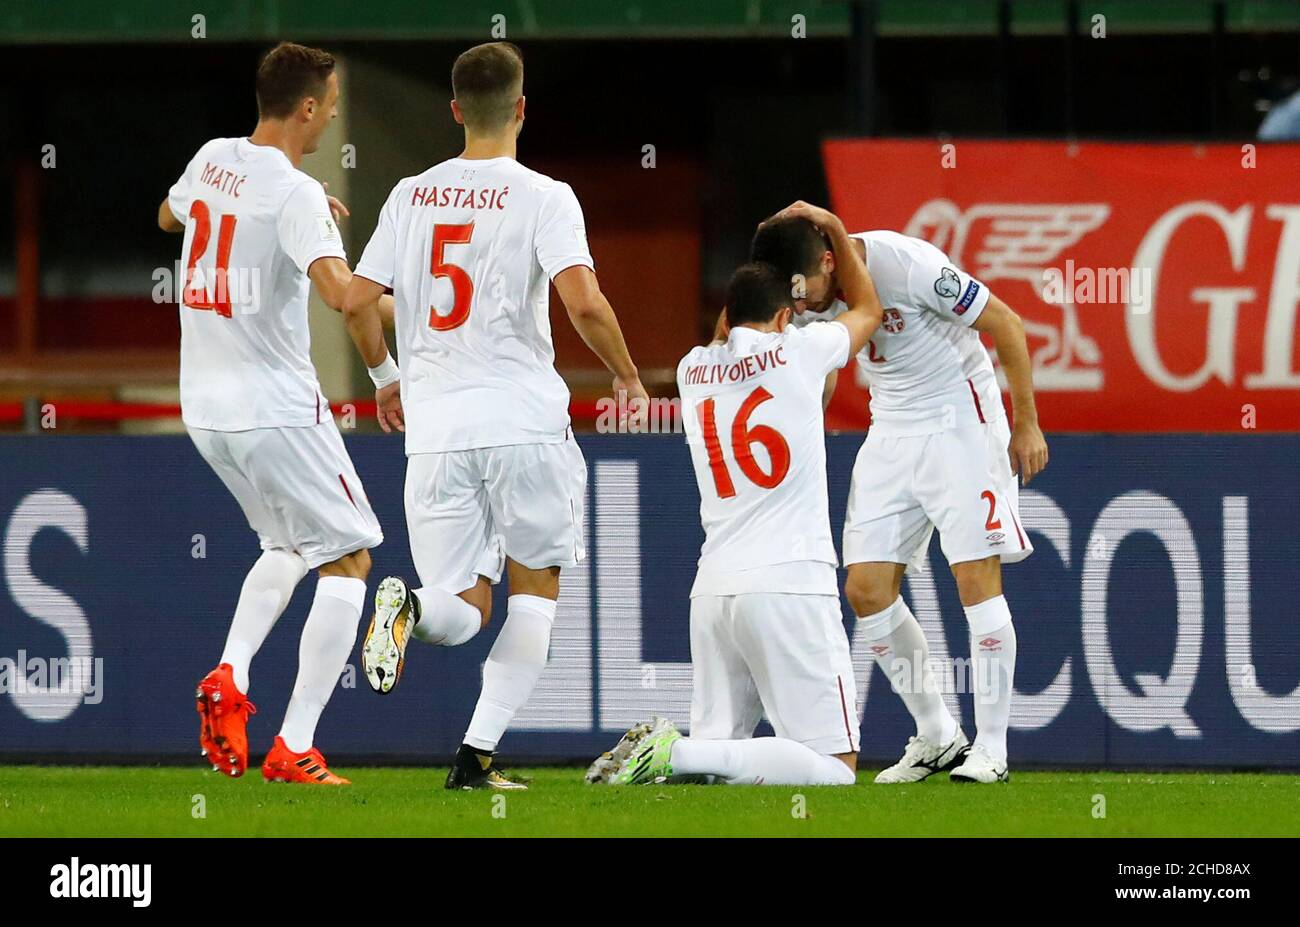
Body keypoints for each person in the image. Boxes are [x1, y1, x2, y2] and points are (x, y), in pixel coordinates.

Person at [341, 42, 648, 790]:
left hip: (437, 431)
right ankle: (475, 755)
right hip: (522, 421)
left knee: (465, 605)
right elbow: (582, 302)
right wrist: (629, 377)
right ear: (520, 109)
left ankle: (409, 608)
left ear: (454, 111)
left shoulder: (410, 194)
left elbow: (355, 299)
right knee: (533, 591)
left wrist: (387, 377)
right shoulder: (545, 195)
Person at [749, 202, 1049, 783]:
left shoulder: (907, 264)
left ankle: (991, 748)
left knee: (974, 578)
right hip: (888, 426)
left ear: (831, 259)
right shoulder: (803, 295)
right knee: (865, 589)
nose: (802, 301)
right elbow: (825, 368)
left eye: (804, 286)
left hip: (959, 418)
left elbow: (1007, 324)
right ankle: (938, 734)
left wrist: (1026, 423)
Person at [159, 42, 391, 785]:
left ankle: (230, 673)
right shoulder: (293, 193)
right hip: (275, 408)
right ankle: (294, 746)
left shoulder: (211, 158)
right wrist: (401, 339)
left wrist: (279, 210)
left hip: (205, 408)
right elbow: (340, 294)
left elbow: (168, 215)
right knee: (350, 557)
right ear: (309, 109)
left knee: (291, 547)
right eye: (327, 103)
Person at [594, 201, 882, 787]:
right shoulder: (801, 351)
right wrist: (832, 229)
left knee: (719, 772)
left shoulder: (691, 369)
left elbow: (729, 334)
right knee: (835, 768)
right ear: (784, 318)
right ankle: (673, 754)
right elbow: (869, 309)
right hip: (789, 583)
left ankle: (680, 755)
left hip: (716, 591)